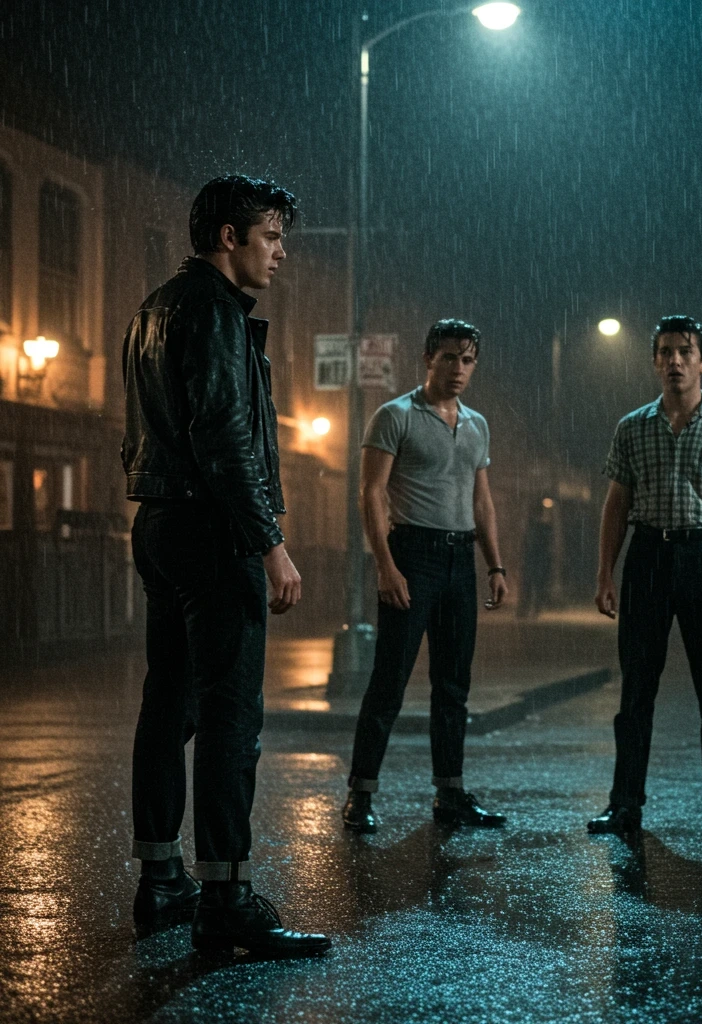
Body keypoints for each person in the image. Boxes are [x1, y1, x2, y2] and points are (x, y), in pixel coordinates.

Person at [122, 175, 330, 956]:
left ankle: (161, 880)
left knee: (168, 702)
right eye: (270, 236)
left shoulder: (154, 308)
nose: (281, 252)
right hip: (213, 531)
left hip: (160, 521)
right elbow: (222, 436)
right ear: (228, 237)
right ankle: (226, 898)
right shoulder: (212, 311)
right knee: (229, 716)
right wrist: (269, 543)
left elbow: (146, 430)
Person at [588, 315, 702, 839]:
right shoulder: (632, 426)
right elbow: (616, 504)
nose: (674, 361)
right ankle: (625, 804)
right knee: (636, 691)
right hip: (647, 556)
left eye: (685, 352)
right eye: (665, 352)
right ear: (654, 362)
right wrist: (605, 573)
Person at [342, 319, 509, 833]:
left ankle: (450, 794)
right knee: (389, 680)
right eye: (449, 358)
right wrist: (385, 566)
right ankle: (360, 794)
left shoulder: (476, 424)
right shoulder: (395, 415)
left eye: (467, 360)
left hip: (460, 559)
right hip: (412, 554)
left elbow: (481, 500)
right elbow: (372, 492)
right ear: (428, 359)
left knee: (453, 685)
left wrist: (495, 564)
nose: (458, 368)